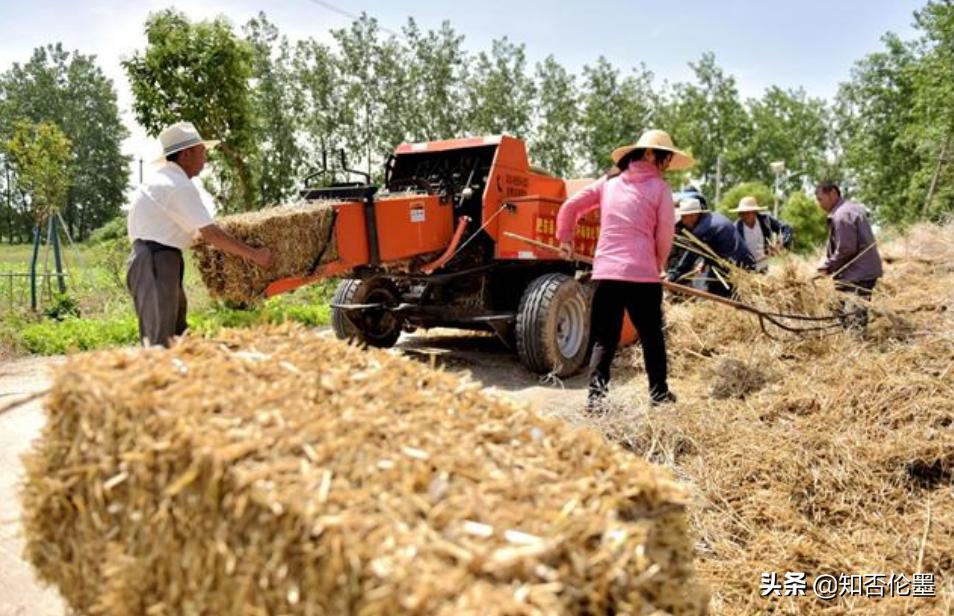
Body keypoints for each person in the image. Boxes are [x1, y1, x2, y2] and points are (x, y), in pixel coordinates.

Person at [556, 129, 694, 408]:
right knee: (652, 336)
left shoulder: (608, 183)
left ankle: (596, 400)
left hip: (607, 273)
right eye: (664, 157)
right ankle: (659, 394)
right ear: (649, 153)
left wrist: (565, 239)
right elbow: (665, 234)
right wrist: (658, 265)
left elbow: (570, 207)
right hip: (642, 275)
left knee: (604, 339)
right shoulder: (661, 189)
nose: (666, 164)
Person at [127, 121, 273, 347]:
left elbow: (194, 233)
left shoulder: (164, 179)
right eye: (202, 151)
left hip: (159, 258)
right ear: (186, 154)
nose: (205, 157)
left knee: (177, 336)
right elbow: (211, 233)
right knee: (160, 343)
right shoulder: (177, 185)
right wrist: (255, 255)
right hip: (156, 261)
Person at [814, 181, 883, 329]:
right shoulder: (851, 208)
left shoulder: (841, 215)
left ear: (832, 193)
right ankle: (852, 343)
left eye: (821, 199)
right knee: (842, 311)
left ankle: (857, 346)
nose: (819, 204)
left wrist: (827, 266)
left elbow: (846, 249)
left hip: (857, 274)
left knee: (853, 317)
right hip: (862, 271)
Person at [668, 198, 755, 297]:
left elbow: (689, 257)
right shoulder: (713, 218)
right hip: (742, 265)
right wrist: (705, 262)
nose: (683, 222)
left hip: (736, 270)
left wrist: (672, 276)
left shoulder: (702, 230)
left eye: (683, 217)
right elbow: (717, 246)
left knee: (717, 297)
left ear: (693, 216)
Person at [732, 196, 794, 271]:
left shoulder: (766, 221)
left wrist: (780, 243)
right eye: (741, 213)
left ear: (754, 212)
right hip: (746, 269)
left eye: (747, 213)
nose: (744, 216)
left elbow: (787, 228)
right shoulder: (736, 228)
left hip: (764, 266)